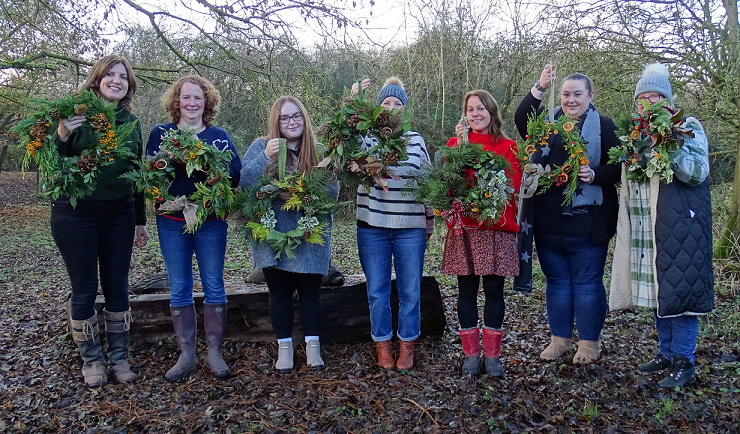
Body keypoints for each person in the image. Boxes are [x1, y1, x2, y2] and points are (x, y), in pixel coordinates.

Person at [609, 64, 713, 388]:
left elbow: (698, 172)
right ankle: (665, 353)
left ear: (666, 99)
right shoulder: (635, 135)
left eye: (655, 96)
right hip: (647, 228)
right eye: (643, 97)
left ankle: (685, 361)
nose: (648, 103)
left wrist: (670, 149)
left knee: (679, 295)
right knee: (660, 293)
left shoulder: (686, 127)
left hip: (680, 228)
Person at [514, 65, 621, 364]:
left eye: (577, 94)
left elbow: (620, 167)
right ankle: (559, 339)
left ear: (590, 95)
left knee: (587, 283)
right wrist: (541, 86)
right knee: (557, 282)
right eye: (565, 94)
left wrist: (595, 174)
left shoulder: (606, 126)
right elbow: (522, 120)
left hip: (589, 222)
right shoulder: (547, 126)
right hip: (549, 223)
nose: (571, 100)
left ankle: (588, 344)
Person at [54, 55, 148, 387]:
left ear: (128, 85)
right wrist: (61, 136)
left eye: (123, 76)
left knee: (117, 287)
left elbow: (137, 174)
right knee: (84, 290)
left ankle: (119, 358)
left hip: (119, 213)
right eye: (110, 74)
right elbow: (51, 167)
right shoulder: (72, 114)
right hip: (75, 213)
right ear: (97, 79)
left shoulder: (132, 123)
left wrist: (140, 221)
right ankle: (92, 360)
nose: (116, 80)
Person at [146, 75, 241, 380]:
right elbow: (150, 175)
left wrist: (212, 170)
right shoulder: (161, 134)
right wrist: (170, 161)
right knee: (179, 286)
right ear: (176, 101)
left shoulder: (218, 136)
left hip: (210, 222)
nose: (191, 103)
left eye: (197, 97)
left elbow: (234, 175)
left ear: (207, 101)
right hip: (172, 222)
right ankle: (187, 353)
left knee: (213, 283)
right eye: (185, 97)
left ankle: (214, 350)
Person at [240, 96, 338, 374]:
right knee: (279, 293)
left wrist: (301, 193)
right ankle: (284, 348)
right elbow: (244, 185)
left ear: (304, 118)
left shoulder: (318, 151)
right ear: (276, 121)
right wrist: (264, 158)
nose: (291, 122)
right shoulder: (261, 147)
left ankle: (313, 348)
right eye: (285, 117)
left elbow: (332, 193)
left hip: (310, 235)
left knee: (310, 293)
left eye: (296, 116)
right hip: (272, 233)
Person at [351, 78, 435, 371]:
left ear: (405, 110)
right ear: (377, 108)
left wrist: (429, 220)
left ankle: (407, 345)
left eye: (397, 103)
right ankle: (383, 345)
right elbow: (347, 155)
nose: (391, 107)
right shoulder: (365, 136)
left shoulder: (416, 140)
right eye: (386, 102)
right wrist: (354, 103)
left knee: (411, 290)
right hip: (372, 225)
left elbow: (428, 182)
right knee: (377, 290)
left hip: (409, 228)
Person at [443, 90, 521, 377]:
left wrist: (484, 197)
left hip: (495, 229)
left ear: (491, 112)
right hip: (465, 229)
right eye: (470, 109)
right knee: (466, 290)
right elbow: (449, 185)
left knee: (493, 291)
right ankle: (471, 356)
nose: (476, 114)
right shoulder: (455, 144)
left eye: (481, 109)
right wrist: (459, 149)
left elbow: (511, 185)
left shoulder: (508, 147)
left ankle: (493, 356)